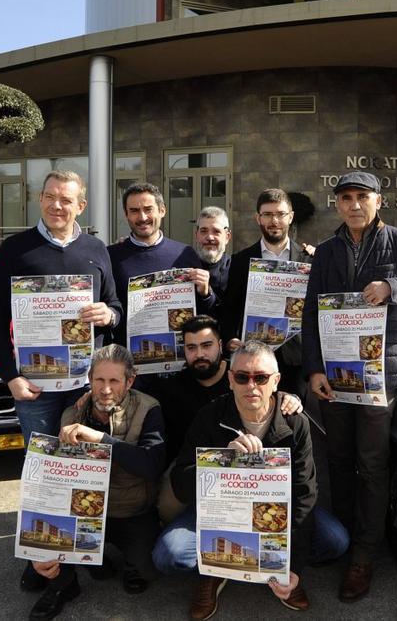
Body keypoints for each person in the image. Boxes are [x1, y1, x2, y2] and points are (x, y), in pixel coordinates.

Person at [300, 170, 397, 603]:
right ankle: (343, 538)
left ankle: (365, 553)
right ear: (338, 204)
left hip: (380, 373)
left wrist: (392, 286)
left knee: (373, 463)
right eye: (346, 197)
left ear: (379, 201)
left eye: (362, 196)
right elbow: (310, 314)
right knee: (339, 460)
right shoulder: (326, 251)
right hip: (336, 375)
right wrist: (315, 370)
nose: (354, 204)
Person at [152, 341, 349, 620]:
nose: (251, 386)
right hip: (219, 513)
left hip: (274, 512)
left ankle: (275, 569)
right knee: (168, 555)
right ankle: (212, 572)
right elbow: (181, 484)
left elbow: (305, 492)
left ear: (276, 380)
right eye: (242, 377)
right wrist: (222, 461)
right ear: (231, 379)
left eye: (261, 377)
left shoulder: (295, 422)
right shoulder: (210, 416)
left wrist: (292, 568)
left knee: (335, 540)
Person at [25, 345, 165, 620]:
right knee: (36, 562)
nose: (106, 389)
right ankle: (65, 586)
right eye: (99, 380)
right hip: (82, 514)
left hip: (130, 510)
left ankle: (121, 560)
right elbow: (52, 482)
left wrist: (101, 440)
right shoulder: (71, 415)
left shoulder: (148, 408)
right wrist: (36, 545)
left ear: (130, 381)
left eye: (114, 381)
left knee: (149, 568)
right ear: (89, 378)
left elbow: (151, 466)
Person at [0, 169, 122, 444]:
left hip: (87, 384)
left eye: (65, 200)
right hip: (36, 386)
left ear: (81, 207)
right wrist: (10, 377)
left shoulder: (96, 248)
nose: (55, 205)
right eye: (49, 196)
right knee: (42, 465)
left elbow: (115, 305)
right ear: (40, 199)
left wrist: (109, 315)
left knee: (87, 465)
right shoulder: (14, 249)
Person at [137, 314, 305, 522]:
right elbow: (139, 399)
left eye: (206, 345)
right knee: (168, 523)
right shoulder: (175, 387)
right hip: (200, 461)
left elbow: (268, 387)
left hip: (260, 474)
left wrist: (290, 399)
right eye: (191, 348)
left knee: (334, 539)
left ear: (219, 345)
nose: (200, 354)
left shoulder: (242, 372)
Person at [220, 188, 312, 398]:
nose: (274, 221)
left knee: (292, 418)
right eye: (268, 214)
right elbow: (229, 309)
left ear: (291, 217)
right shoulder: (241, 261)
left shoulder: (309, 260)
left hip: (295, 361)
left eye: (280, 214)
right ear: (257, 218)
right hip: (253, 361)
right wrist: (229, 339)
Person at [108, 182, 215, 343]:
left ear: (162, 210)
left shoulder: (184, 254)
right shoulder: (110, 256)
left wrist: (206, 293)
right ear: (126, 214)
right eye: (134, 211)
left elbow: (205, 314)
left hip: (178, 357)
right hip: (128, 359)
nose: (142, 217)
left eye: (148, 209)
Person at [194, 206, 231, 314]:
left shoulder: (237, 269)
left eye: (216, 231)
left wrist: (207, 293)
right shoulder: (184, 266)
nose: (210, 237)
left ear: (227, 237)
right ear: (196, 235)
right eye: (203, 231)